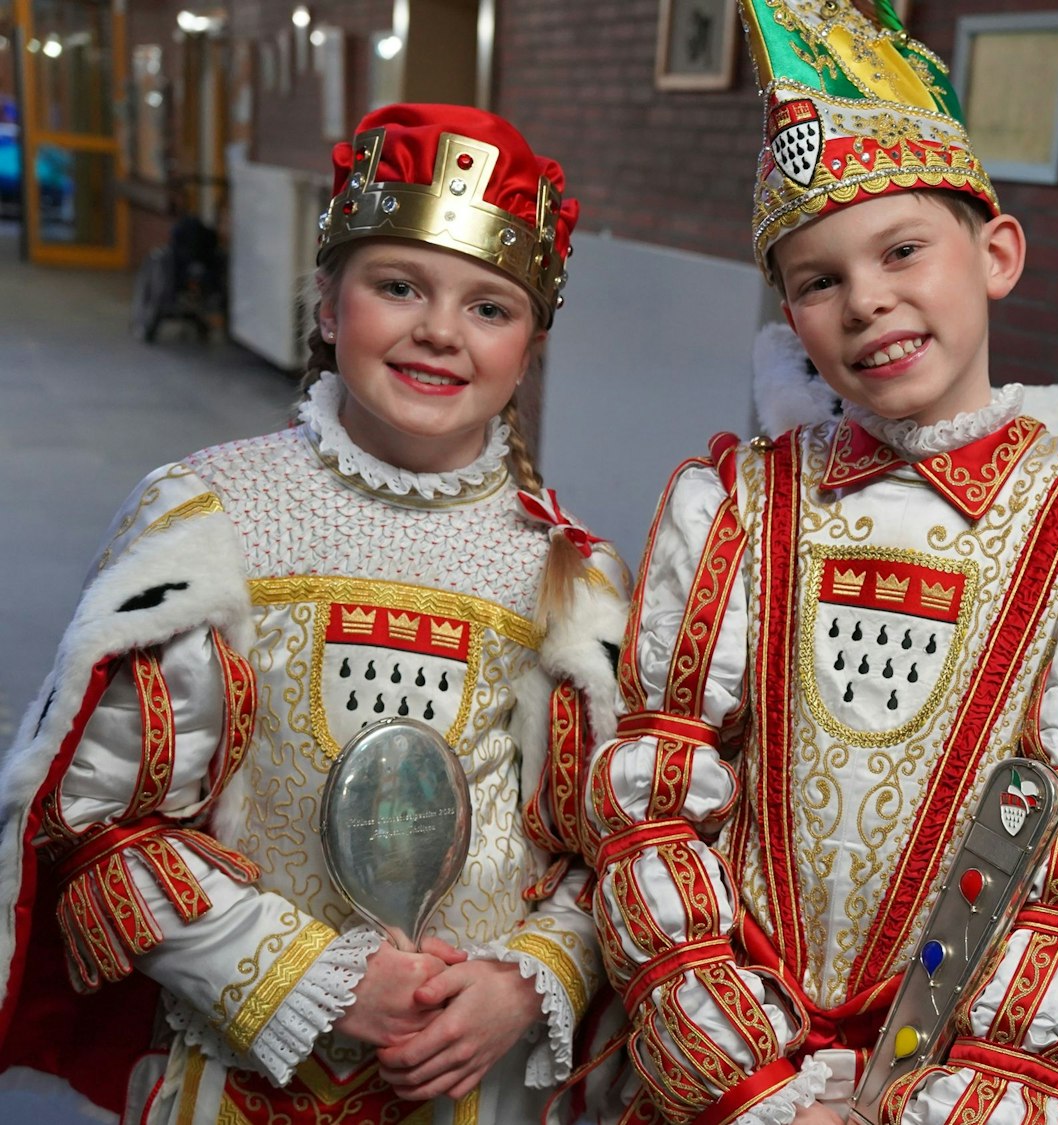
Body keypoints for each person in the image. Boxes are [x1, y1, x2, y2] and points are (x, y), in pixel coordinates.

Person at [579, 3, 1058, 1123]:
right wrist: (755, 1089)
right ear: (789, 313)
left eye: (902, 250)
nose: (865, 299)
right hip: (731, 1078)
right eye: (817, 280)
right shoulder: (738, 505)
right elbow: (654, 803)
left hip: (949, 1087)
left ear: (998, 253)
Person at [0, 103, 623, 1125]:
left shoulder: (571, 572)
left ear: (530, 347)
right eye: (397, 287)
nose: (438, 330)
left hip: (468, 1092)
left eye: (488, 308)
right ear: (330, 306)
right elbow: (94, 823)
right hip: (236, 1084)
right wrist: (304, 975)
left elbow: (610, 855)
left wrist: (526, 983)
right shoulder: (209, 517)